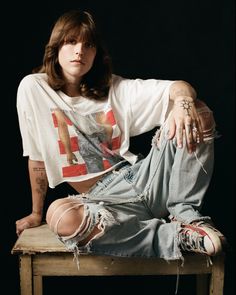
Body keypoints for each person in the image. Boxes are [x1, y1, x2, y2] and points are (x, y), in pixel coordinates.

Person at [16, 10, 225, 263]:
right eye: (71, 42)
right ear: (56, 46)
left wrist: (182, 101)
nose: (79, 51)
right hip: (102, 200)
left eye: (88, 44)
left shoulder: (116, 89)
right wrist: (36, 213)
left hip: (145, 178)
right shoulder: (34, 88)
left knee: (197, 111)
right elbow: (37, 157)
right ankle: (176, 237)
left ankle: (185, 214)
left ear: (96, 53)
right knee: (60, 216)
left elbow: (179, 86)